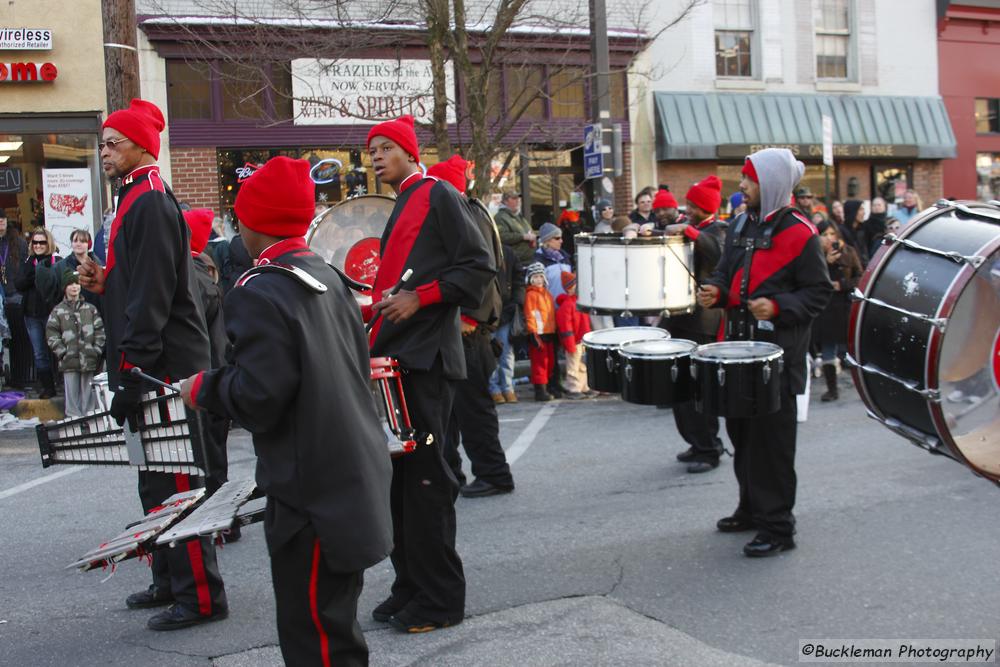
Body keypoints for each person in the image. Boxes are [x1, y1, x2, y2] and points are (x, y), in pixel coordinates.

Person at [180, 156, 392, 665]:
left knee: (314, 638)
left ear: (253, 220)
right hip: (348, 476)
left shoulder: (260, 288)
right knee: (333, 628)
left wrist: (204, 388)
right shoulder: (323, 272)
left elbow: (260, 396)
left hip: (311, 491)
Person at [77, 98, 228, 630]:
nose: (106, 152)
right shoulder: (136, 199)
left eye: (114, 143)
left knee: (178, 481)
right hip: (149, 365)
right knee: (155, 481)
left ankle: (202, 596)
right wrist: (103, 288)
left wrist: (132, 370)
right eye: (103, 144)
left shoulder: (150, 202)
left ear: (143, 146)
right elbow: (135, 288)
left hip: (162, 369)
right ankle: (169, 578)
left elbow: (155, 297)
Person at [363, 115, 493, 632]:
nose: (374, 157)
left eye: (383, 148)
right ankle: (410, 584)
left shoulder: (439, 194)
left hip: (427, 361)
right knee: (399, 483)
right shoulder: (405, 202)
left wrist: (422, 297)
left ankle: (441, 598)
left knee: (426, 482)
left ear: (409, 151)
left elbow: (478, 268)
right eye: (370, 150)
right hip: (398, 359)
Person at [697, 148, 832, 557]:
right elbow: (725, 273)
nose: (742, 185)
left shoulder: (801, 233)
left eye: (749, 179)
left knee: (772, 446)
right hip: (738, 350)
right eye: (743, 178)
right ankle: (751, 508)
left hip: (778, 357)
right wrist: (716, 291)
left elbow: (819, 293)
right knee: (742, 436)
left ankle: (778, 527)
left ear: (770, 183)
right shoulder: (739, 224)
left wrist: (777, 307)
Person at [427, 156, 515, 500]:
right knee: (450, 413)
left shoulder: (463, 215)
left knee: (471, 410)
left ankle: (494, 474)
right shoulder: (472, 212)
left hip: (466, 327)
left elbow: (477, 272)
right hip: (465, 326)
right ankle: (452, 474)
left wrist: (465, 315)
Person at [661, 175, 728, 473]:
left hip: (702, 321)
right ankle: (695, 441)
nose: (687, 209)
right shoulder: (696, 228)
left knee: (699, 387)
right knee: (681, 388)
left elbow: (715, 251)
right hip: (680, 316)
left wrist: (687, 229)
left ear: (705, 208)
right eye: (687, 204)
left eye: (692, 206)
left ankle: (709, 448)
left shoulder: (717, 230)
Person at [182, 209, 237, 539]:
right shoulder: (203, 272)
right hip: (215, 370)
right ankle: (222, 522)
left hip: (206, 374)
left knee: (208, 457)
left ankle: (219, 522)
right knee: (213, 455)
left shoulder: (194, 278)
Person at [815, 220, 862, 402]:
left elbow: (860, 276)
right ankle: (832, 389)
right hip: (826, 307)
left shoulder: (848, 251)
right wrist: (826, 263)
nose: (828, 238)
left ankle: (865, 388)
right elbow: (811, 279)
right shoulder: (816, 254)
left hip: (845, 304)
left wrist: (842, 284)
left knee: (854, 347)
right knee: (828, 349)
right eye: (824, 234)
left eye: (831, 234)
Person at [45, 272, 104, 417]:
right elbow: (51, 333)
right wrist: (62, 352)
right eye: (70, 284)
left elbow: (100, 331)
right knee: (72, 394)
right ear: (65, 288)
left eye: (76, 284)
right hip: (69, 360)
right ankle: (74, 421)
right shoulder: (58, 311)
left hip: (89, 359)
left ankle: (90, 419)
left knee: (88, 392)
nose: (74, 287)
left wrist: (96, 350)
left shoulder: (90, 309)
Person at [15, 227, 61, 399]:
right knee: (39, 352)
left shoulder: (56, 260)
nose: (38, 245)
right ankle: (48, 387)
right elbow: (19, 283)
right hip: (32, 313)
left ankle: (63, 383)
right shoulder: (28, 261)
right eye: (35, 242)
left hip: (51, 312)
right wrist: (35, 274)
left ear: (48, 243)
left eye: (42, 242)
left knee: (58, 349)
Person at [488, 243, 524, 404]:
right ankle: (494, 388)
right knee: (491, 354)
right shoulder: (480, 249)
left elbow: (518, 278)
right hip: (486, 312)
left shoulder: (508, 252)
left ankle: (507, 387)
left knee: (506, 353)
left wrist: (517, 301)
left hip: (505, 309)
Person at [0, 213, 30, 389]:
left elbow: (25, 267)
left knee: (18, 337)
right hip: (1, 294)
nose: (0, 222)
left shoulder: (18, 242)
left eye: (2, 219)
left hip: (15, 293)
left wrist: (18, 286)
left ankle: (21, 377)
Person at [524, 261, 557, 402]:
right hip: (538, 334)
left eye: (540, 277)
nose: (538, 280)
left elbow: (551, 314)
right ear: (530, 279)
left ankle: (547, 387)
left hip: (549, 332)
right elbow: (530, 314)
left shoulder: (547, 294)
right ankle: (540, 391)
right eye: (535, 277)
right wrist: (532, 332)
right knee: (540, 363)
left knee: (549, 361)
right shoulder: (531, 295)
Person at [555, 271, 592, 399]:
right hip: (573, 340)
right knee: (573, 366)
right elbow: (566, 326)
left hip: (581, 340)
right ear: (570, 288)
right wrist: (569, 343)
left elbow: (585, 323)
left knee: (581, 365)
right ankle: (573, 387)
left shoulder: (578, 302)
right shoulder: (568, 305)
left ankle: (583, 386)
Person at [54, 229, 102, 312]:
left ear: (89, 244)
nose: (78, 244)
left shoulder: (98, 264)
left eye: (82, 241)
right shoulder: (61, 266)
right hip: (71, 314)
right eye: (75, 241)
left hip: (95, 313)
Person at [494, 190, 536, 266]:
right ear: (505, 201)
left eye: (518, 198)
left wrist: (533, 238)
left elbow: (529, 231)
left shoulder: (518, 216)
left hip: (528, 260)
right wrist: (523, 237)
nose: (518, 201)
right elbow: (501, 237)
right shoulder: (500, 217)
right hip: (515, 262)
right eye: (514, 198)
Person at [533, 222, 572, 299]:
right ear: (547, 240)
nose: (561, 241)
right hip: (549, 308)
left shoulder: (564, 257)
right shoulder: (538, 261)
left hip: (566, 306)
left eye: (561, 238)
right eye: (557, 238)